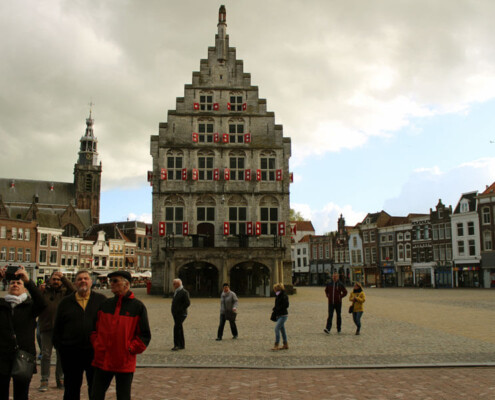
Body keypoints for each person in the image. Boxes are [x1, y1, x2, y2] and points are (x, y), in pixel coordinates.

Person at [90, 270, 151, 400]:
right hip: (103, 359)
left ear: (126, 284)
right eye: (110, 281)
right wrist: (97, 343)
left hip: (124, 361)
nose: (111, 284)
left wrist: (129, 349)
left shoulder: (137, 307)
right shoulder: (105, 304)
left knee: (123, 396)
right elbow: (94, 328)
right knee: (96, 395)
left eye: (115, 281)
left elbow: (144, 335)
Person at [53, 270, 107, 400]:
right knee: (71, 388)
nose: (83, 281)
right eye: (80, 279)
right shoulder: (65, 303)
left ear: (91, 282)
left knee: (95, 388)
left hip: (93, 352)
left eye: (86, 278)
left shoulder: (101, 300)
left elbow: (107, 326)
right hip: (71, 352)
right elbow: (57, 328)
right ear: (75, 283)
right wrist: (61, 348)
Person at [0, 266, 46, 400]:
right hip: (2, 356)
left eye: (18, 283)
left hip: (24, 355)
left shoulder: (30, 306)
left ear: (24, 288)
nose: (15, 284)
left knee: (21, 394)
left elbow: (42, 303)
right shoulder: (2, 305)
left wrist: (27, 280)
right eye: (12, 282)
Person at [38, 271, 75, 392]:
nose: (56, 281)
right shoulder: (44, 292)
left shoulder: (65, 293)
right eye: (54, 279)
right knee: (46, 354)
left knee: (61, 355)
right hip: (46, 328)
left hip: (61, 329)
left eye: (58, 280)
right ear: (49, 280)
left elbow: (74, 290)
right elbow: (35, 300)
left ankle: (60, 379)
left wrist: (64, 278)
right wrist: (39, 291)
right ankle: (44, 380)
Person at [171, 278, 190, 351]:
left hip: (181, 314)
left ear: (178, 284)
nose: (173, 285)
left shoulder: (184, 292)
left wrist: (180, 309)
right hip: (176, 313)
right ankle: (181, 344)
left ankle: (177, 345)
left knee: (177, 328)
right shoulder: (176, 291)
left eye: (174, 284)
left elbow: (187, 303)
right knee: (179, 328)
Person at [271, 283, 289, 351]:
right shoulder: (278, 296)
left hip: (283, 315)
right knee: (282, 330)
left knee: (276, 329)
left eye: (275, 289)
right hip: (279, 315)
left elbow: (286, 305)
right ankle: (285, 344)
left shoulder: (284, 296)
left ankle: (276, 344)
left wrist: (278, 308)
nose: (274, 290)